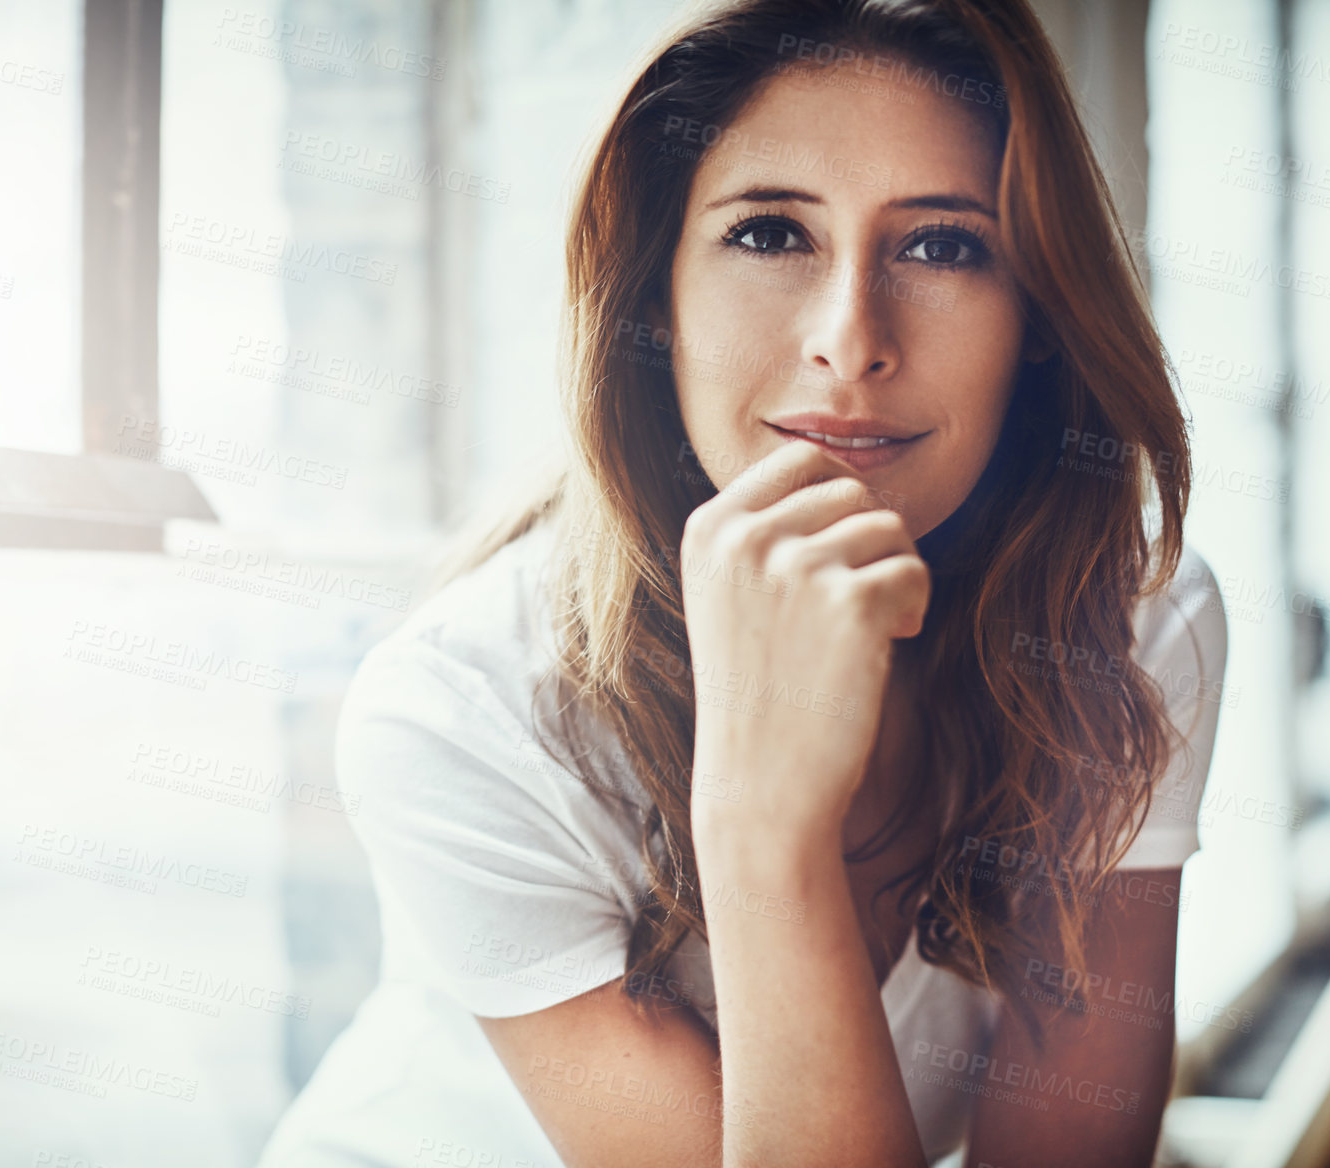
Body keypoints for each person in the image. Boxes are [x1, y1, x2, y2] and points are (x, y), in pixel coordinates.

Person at [258, 0, 1227, 1165]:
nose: (849, 339)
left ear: (1038, 315)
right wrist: (764, 823)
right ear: (652, 296)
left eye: (943, 245)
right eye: (770, 234)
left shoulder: (1124, 626)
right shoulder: (465, 711)